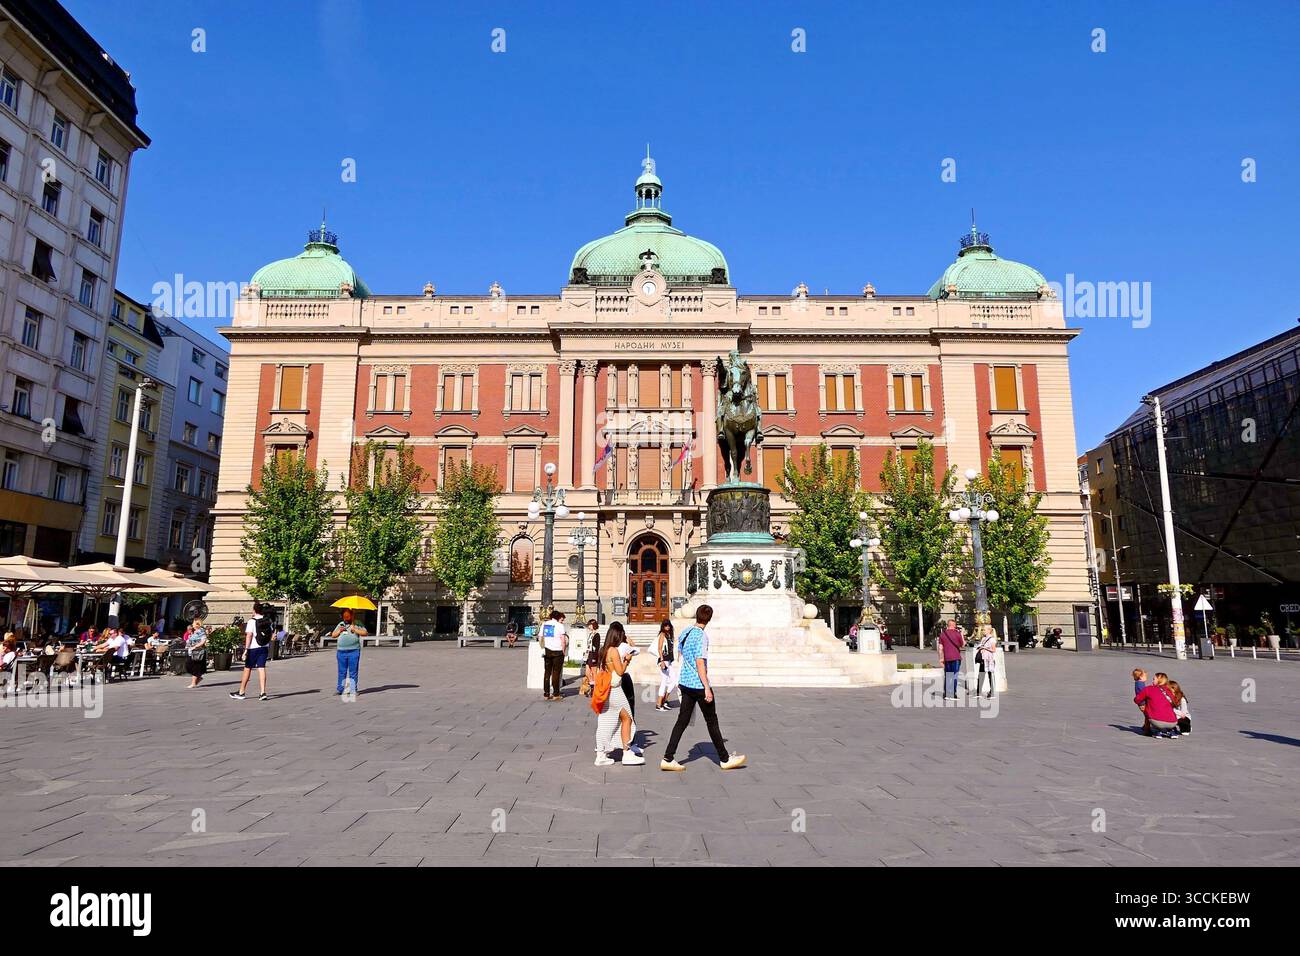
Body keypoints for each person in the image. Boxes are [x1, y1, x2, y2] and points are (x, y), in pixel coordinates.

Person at [660, 605, 746, 771]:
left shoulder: (686, 631)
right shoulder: (702, 636)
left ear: (697, 616)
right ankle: (724, 758)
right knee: (712, 722)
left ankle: (668, 757)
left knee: (681, 721)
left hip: (685, 683)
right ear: (709, 618)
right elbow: (700, 662)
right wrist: (707, 687)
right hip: (698, 685)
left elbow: (680, 654)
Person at [593, 622, 643, 766]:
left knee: (605, 721)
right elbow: (620, 672)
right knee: (627, 718)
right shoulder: (614, 650)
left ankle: (601, 754)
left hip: (606, 689)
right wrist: (627, 660)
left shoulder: (604, 649)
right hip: (615, 690)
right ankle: (626, 753)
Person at [230, 603, 273, 701]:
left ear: (254, 610)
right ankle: (263, 692)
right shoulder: (267, 621)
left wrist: (246, 650)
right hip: (264, 647)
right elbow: (270, 633)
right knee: (261, 668)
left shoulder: (251, 621)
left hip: (253, 647)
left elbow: (249, 635)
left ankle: (241, 692)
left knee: (247, 668)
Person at [330, 608, 368, 696]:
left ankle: (353, 689)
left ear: (351, 615)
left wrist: (355, 630)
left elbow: (365, 633)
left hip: (354, 651)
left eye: (347, 616)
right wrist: (339, 630)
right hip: (341, 651)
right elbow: (333, 635)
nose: (345, 618)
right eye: (344, 616)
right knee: (341, 671)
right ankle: (340, 689)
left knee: (353, 671)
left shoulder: (357, 623)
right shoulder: (341, 624)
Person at [1135, 674, 1180, 738]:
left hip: (1156, 721)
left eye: (1154, 679)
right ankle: (1171, 730)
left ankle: (1157, 730)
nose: (1152, 681)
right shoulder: (1169, 691)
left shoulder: (1149, 689)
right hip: (1173, 722)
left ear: (1159, 680)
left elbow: (1137, 699)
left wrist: (1143, 702)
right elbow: (1175, 703)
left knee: (1153, 712)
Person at [539, 610, 567, 701]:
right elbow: (563, 640)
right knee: (556, 673)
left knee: (547, 672)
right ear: (558, 617)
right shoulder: (560, 626)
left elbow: (540, 637)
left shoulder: (545, 624)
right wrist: (563, 650)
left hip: (547, 651)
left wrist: (543, 647)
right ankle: (556, 693)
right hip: (558, 651)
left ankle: (546, 694)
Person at [655, 618, 679, 712]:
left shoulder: (669, 635)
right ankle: (658, 704)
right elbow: (659, 649)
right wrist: (661, 661)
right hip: (663, 660)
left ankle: (664, 700)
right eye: (665, 625)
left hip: (668, 661)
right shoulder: (662, 635)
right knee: (664, 682)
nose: (667, 627)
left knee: (674, 680)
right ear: (663, 626)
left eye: (668, 625)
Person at [937, 619, 965, 700]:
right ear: (954, 625)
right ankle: (953, 694)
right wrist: (962, 635)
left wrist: (941, 658)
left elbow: (940, 648)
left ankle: (947, 693)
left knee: (948, 675)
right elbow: (963, 645)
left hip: (947, 658)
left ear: (948, 625)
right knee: (954, 675)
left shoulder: (942, 634)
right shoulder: (957, 633)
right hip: (956, 657)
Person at [974, 624, 997, 698]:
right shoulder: (983, 639)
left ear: (989, 630)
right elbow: (981, 646)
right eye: (983, 629)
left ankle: (992, 692)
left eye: (984, 629)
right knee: (981, 675)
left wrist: (985, 648)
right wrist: (980, 648)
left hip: (989, 660)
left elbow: (994, 650)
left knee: (990, 676)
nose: (983, 631)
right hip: (983, 659)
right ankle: (978, 692)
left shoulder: (992, 639)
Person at [184, 617, 208, 688]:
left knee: (195, 667)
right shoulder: (195, 632)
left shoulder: (201, 631)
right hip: (191, 652)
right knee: (189, 666)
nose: (192, 624)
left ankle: (193, 683)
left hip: (197, 652)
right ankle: (198, 678)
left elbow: (203, 640)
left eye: (193, 623)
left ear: (197, 624)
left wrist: (195, 646)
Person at [582, 619, 601, 697]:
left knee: (594, 673)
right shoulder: (590, 634)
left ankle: (594, 690)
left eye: (590, 625)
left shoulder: (597, 635)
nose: (589, 626)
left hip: (593, 655)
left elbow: (596, 647)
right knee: (587, 672)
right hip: (588, 654)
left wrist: (595, 657)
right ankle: (592, 687)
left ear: (593, 625)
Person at [1132, 668, 1150, 735]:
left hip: (1141, 702)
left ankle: (1145, 726)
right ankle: (1147, 729)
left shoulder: (1139, 683)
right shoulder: (1140, 684)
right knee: (1148, 715)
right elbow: (1143, 694)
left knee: (1147, 715)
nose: (1146, 678)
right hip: (1142, 703)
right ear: (1140, 677)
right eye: (1145, 676)